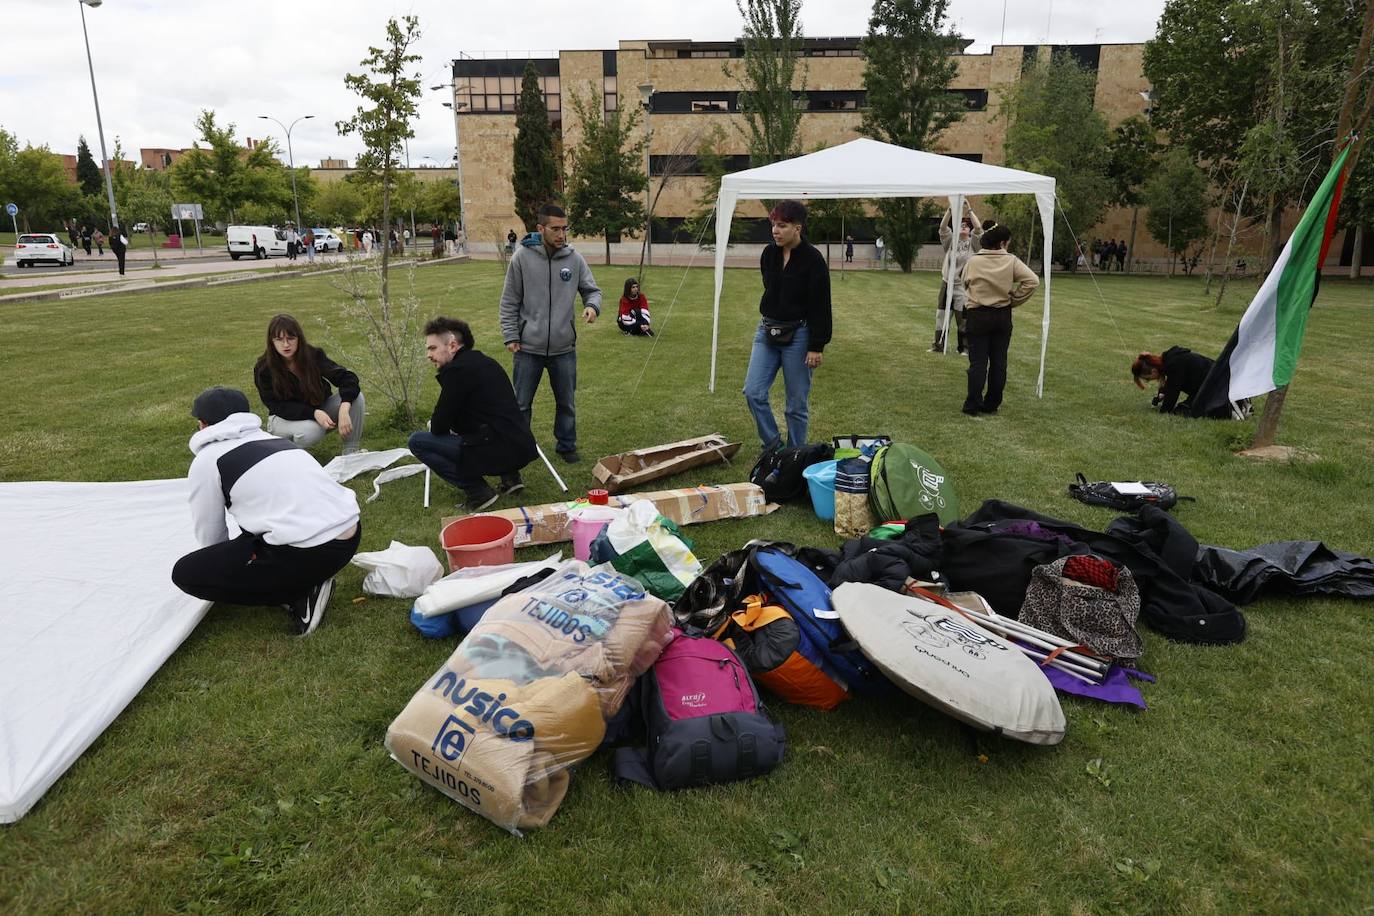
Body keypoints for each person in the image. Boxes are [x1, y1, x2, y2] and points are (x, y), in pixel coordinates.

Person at [170, 386, 361, 636]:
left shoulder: (208, 460)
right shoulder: (276, 441)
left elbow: (210, 533)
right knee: (251, 535)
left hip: (310, 551)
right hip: (350, 535)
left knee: (185, 573)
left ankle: (298, 594)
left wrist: (222, 566)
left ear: (202, 425)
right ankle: (303, 577)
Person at [498, 203, 602, 463]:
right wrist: (511, 335)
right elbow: (509, 300)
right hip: (527, 348)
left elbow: (592, 290)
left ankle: (566, 446)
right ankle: (518, 450)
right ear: (540, 228)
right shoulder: (521, 258)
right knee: (521, 405)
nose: (561, 234)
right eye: (555, 229)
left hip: (563, 348)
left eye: (564, 229)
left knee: (566, 403)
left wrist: (592, 307)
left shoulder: (574, 259)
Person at [409, 317, 538, 511]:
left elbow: (438, 426)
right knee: (487, 423)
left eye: (432, 348)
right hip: (520, 443)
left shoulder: (457, 372)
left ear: (452, 345)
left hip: (498, 447)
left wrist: (448, 424)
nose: (428, 355)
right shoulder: (485, 361)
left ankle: (478, 491)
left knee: (417, 441)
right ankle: (511, 478)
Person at [743, 199, 831, 451]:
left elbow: (821, 304)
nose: (775, 231)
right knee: (753, 392)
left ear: (798, 228)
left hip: (800, 335)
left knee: (795, 405)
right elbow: (770, 289)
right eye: (774, 225)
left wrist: (816, 345)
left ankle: (794, 454)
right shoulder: (768, 254)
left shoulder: (813, 260)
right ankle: (773, 446)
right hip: (767, 331)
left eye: (782, 225)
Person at [254, 313, 366, 454]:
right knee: (313, 430)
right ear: (272, 341)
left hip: (317, 412)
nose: (286, 344)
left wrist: (344, 409)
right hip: (282, 419)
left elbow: (347, 378)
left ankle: (351, 453)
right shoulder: (264, 368)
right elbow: (278, 406)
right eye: (279, 339)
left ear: (299, 338)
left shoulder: (313, 355)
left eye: (291, 338)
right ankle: (287, 454)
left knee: (356, 398)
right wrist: (313, 413)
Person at [960, 224, 1038, 416]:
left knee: (978, 363)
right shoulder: (1011, 261)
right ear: (1003, 243)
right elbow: (1032, 281)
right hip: (1002, 314)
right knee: (999, 362)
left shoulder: (973, 261)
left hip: (978, 314)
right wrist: (1015, 299)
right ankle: (992, 403)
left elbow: (964, 282)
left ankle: (973, 404)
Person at [932, 204, 984, 354]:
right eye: (960, 225)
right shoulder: (950, 242)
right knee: (941, 315)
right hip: (946, 283)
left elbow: (979, 229)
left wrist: (969, 210)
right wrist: (949, 211)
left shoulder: (974, 244)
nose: (963, 227)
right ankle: (938, 345)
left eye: (966, 226)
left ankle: (964, 348)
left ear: (969, 231)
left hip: (963, 287)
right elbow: (942, 228)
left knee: (963, 319)